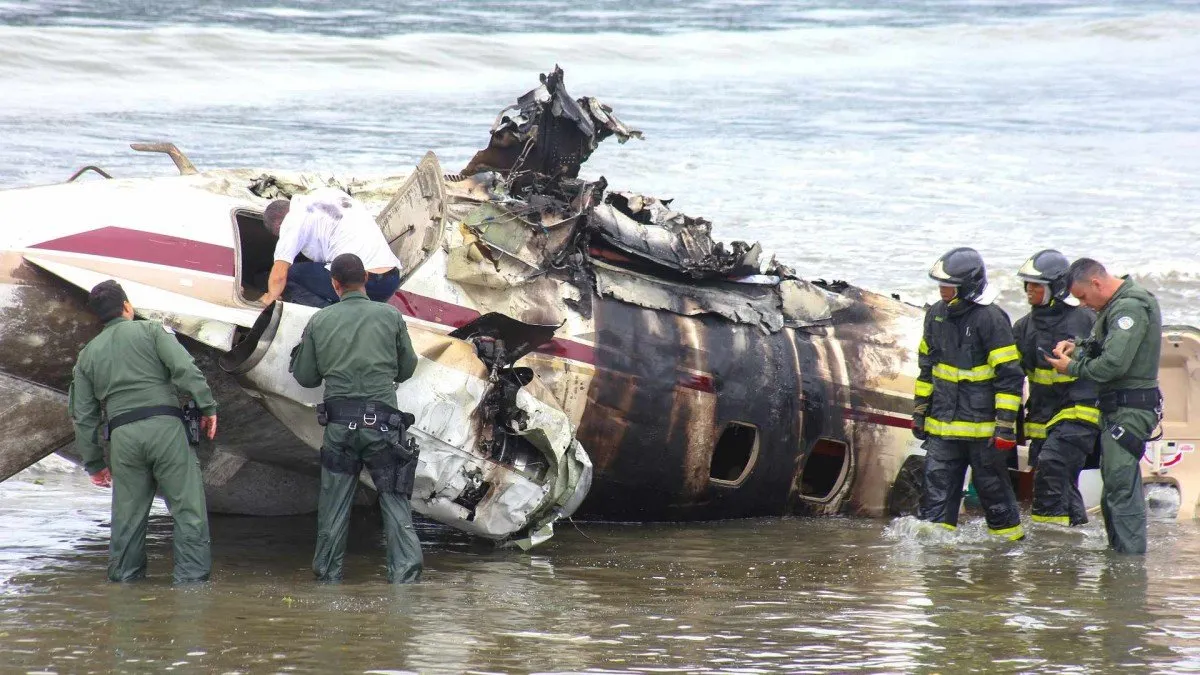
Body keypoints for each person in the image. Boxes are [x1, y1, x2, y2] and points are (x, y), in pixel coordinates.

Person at [68, 280, 219, 583]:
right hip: (166, 431)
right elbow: (185, 369)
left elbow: (83, 416)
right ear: (127, 306)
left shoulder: (88, 355)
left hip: (123, 439)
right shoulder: (151, 331)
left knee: (127, 519)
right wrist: (207, 406)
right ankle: (192, 588)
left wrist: (94, 464)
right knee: (188, 511)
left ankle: (124, 586)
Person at [290, 253, 423, 583]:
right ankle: (406, 586)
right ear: (366, 278)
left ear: (334, 284)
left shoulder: (320, 321)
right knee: (395, 504)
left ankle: (327, 582)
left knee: (333, 508)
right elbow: (407, 369)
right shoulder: (390, 316)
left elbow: (306, 377)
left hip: (340, 429)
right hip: (384, 428)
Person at [1045, 259, 1162, 554]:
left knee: (1120, 489)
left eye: (1083, 297)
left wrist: (1072, 367)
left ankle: (1129, 565)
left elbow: (1113, 364)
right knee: (1113, 488)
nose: (1083, 305)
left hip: (1129, 409)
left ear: (1096, 283)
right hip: (1117, 408)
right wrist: (1077, 348)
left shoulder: (1129, 308)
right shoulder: (1114, 306)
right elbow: (1105, 346)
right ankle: (1121, 555)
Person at [912, 247, 1024, 540]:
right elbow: (927, 368)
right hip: (943, 429)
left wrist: (1004, 426)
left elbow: (1009, 376)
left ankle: (1007, 553)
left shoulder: (991, 319)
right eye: (941, 283)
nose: (942, 289)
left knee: (995, 497)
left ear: (967, 287)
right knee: (934, 499)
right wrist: (920, 410)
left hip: (984, 433)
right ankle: (936, 557)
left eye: (948, 285)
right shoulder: (935, 315)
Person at [1012, 250, 1100, 527]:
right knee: (1061, 480)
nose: (1029, 289)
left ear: (1056, 287)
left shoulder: (1085, 320)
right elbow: (1010, 376)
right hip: (1042, 419)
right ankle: (1075, 534)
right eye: (1027, 284)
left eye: (1037, 285)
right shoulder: (1023, 327)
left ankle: (1049, 538)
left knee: (1052, 467)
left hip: (1078, 413)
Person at [261, 187, 403, 307]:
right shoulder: (326, 194)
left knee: (290, 275)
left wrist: (269, 298)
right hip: (390, 281)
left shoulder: (291, 220)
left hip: (364, 283)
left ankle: (332, 314)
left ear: (279, 226)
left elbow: (279, 276)